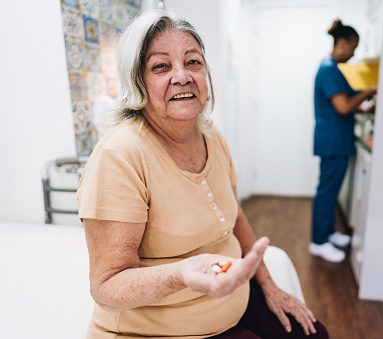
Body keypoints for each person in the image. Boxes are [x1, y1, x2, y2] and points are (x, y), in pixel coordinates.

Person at [77, 9, 329, 339]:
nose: (182, 76)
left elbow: (235, 216)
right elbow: (106, 287)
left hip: (228, 298)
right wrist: (181, 274)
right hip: (158, 329)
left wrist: (270, 287)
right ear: (138, 80)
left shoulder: (212, 135)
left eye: (193, 62)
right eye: (161, 66)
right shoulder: (119, 156)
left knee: (313, 334)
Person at [309, 19, 376, 263]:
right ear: (343, 43)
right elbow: (343, 106)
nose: (354, 52)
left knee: (331, 190)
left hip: (336, 138)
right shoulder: (329, 69)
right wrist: (368, 91)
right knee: (327, 192)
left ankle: (327, 233)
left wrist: (364, 108)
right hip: (332, 140)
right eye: (354, 47)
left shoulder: (333, 68)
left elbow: (346, 105)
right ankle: (318, 242)